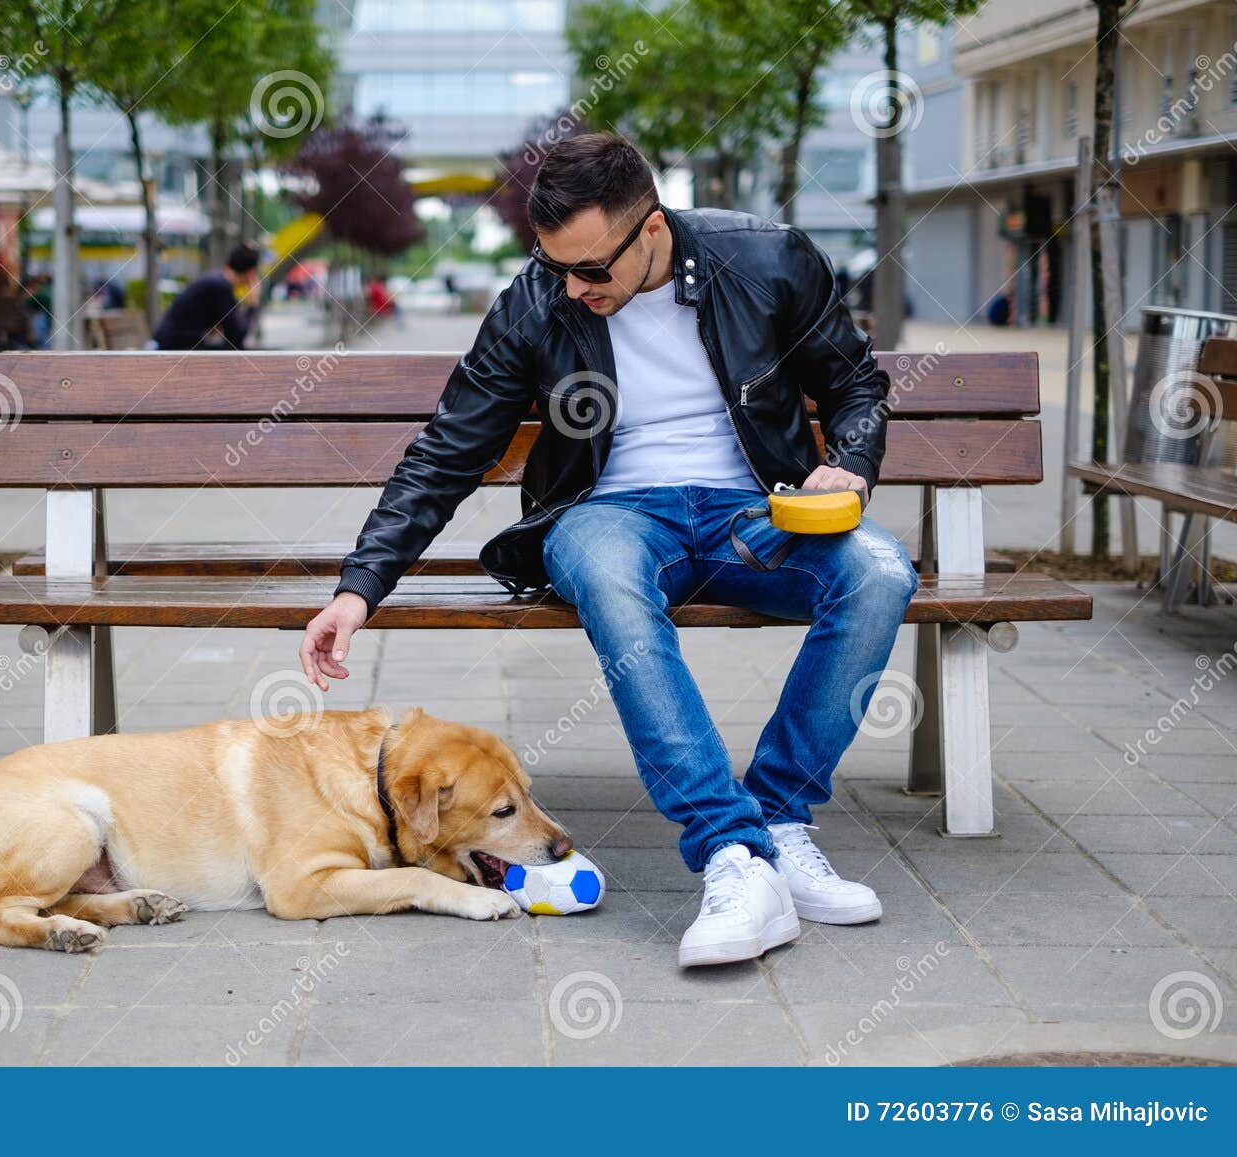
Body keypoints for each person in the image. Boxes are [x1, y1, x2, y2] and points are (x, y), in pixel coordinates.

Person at [298, 133, 914, 968]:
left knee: (880, 573)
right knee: (612, 576)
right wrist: (358, 588)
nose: (574, 288)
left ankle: (775, 820)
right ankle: (731, 853)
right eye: (557, 267)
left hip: (755, 511)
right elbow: (447, 449)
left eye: (593, 270)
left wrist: (847, 466)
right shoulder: (537, 300)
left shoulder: (767, 260)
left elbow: (856, 386)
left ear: (652, 230)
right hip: (606, 514)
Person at [152, 242, 261, 351]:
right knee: (236, 353)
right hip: (174, 347)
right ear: (251, 273)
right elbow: (237, 335)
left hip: (175, 343)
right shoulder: (220, 286)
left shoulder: (216, 279)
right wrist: (252, 304)